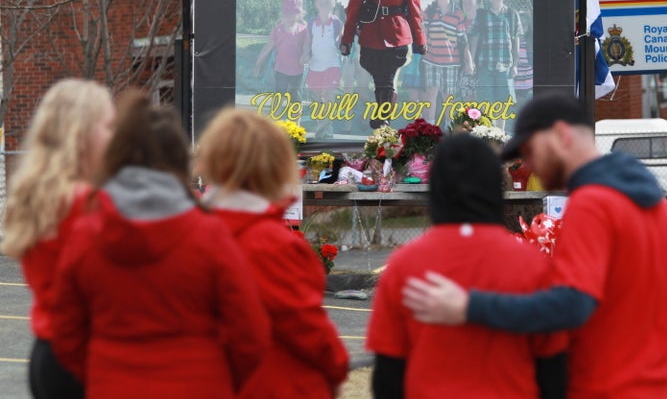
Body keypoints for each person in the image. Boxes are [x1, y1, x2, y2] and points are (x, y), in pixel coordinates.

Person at [402, 94, 667, 399]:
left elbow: (571, 305)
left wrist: (468, 306)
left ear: (561, 136)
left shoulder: (591, 204)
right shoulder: (655, 206)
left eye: (531, 149)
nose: (531, 163)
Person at [51, 91, 270, 399]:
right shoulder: (210, 235)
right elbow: (251, 333)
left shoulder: (85, 235)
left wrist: (99, 372)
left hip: (112, 385)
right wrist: (219, 376)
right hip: (199, 384)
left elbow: (64, 331)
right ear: (181, 159)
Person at [367, 133, 566, 398]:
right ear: (495, 189)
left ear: (436, 191)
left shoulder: (405, 266)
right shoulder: (531, 264)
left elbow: (388, 376)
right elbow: (554, 371)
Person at [196, 108, 349, 398]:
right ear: (276, 165)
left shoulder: (187, 236)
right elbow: (308, 330)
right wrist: (336, 367)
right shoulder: (273, 245)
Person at [1, 79, 114, 399]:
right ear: (82, 136)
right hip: (84, 354)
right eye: (108, 125)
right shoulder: (88, 203)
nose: (114, 136)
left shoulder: (37, 195)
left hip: (48, 350)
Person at [340, 0, 427, 129]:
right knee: (381, 80)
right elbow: (352, 10)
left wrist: (420, 41)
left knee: (386, 79)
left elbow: (415, 12)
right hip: (371, 37)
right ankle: (382, 119)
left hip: (397, 36)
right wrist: (347, 41)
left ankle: (382, 120)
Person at [468, 0, 522, 121]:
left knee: (502, 103)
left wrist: (515, 65)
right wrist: (471, 60)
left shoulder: (511, 14)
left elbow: (516, 39)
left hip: (505, 66)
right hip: (485, 65)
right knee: (485, 102)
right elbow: (474, 38)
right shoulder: (481, 14)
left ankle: (499, 136)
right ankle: (486, 133)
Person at [420, 0, 472, 125]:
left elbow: (463, 40)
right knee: (431, 93)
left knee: (448, 96)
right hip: (431, 60)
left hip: (451, 62)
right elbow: (422, 33)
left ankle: (449, 127)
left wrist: (468, 60)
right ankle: (430, 127)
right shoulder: (429, 11)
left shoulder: (458, 13)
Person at [302, 0, 344, 139]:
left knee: (329, 96)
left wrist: (345, 45)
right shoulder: (311, 22)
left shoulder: (337, 22)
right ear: (316, 4)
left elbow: (341, 43)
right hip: (315, 66)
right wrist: (305, 55)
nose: (323, 5)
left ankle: (327, 127)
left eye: (326, 2)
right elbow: (308, 43)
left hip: (332, 65)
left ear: (332, 4)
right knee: (317, 98)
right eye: (320, 2)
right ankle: (321, 125)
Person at [254, 0, 308, 102]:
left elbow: (308, 47)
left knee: (295, 98)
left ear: (300, 13)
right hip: (281, 70)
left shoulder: (303, 30)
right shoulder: (278, 30)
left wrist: (305, 55)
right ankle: (276, 117)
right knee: (279, 97)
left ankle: (295, 119)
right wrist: (258, 64)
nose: (290, 15)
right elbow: (267, 48)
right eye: (288, 12)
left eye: (294, 12)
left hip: (297, 71)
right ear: (283, 12)